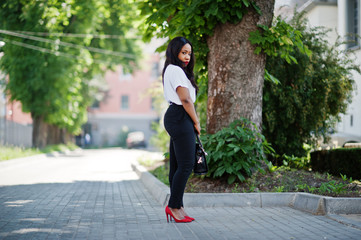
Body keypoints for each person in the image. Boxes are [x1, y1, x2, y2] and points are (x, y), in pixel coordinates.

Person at [162, 37, 200, 223]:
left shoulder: (175, 70)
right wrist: (197, 122)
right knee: (186, 165)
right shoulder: (175, 70)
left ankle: (178, 206)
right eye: (183, 52)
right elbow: (185, 100)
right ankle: (174, 206)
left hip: (177, 117)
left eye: (189, 53)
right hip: (179, 115)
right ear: (175, 51)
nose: (187, 57)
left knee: (177, 166)